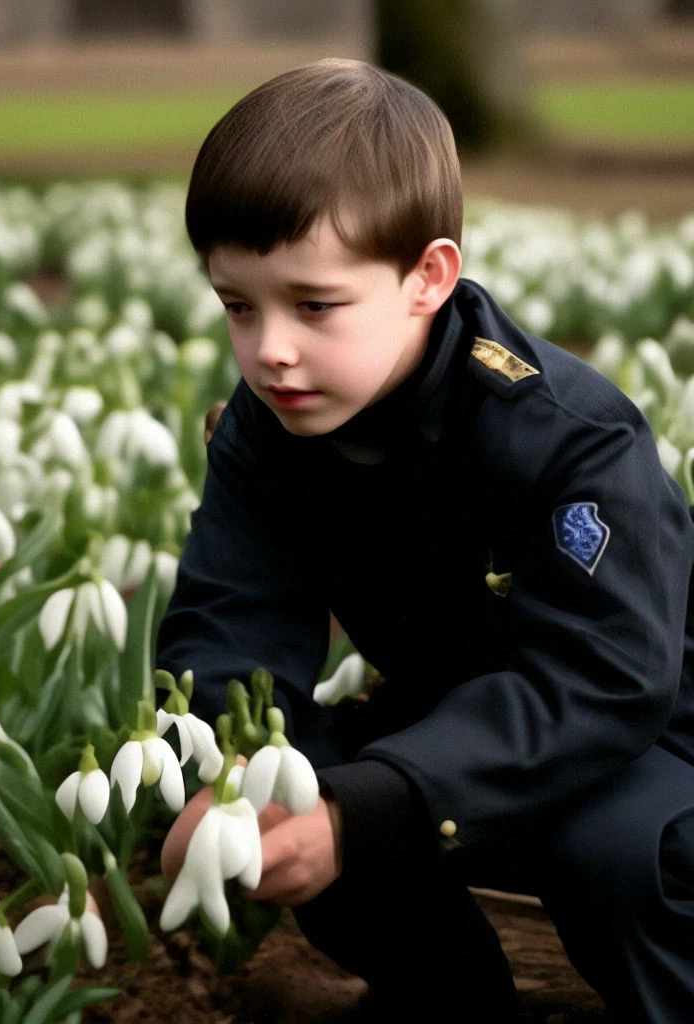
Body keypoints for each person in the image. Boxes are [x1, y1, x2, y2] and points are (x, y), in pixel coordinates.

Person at [154, 58, 694, 1023]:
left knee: (608, 855)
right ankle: (453, 1004)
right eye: (240, 306)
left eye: (314, 306)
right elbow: (229, 622)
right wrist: (235, 774)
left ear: (427, 279)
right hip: (466, 734)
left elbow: (608, 678)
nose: (270, 348)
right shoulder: (269, 427)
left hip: (652, 743)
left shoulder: (566, 436)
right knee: (299, 801)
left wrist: (366, 813)